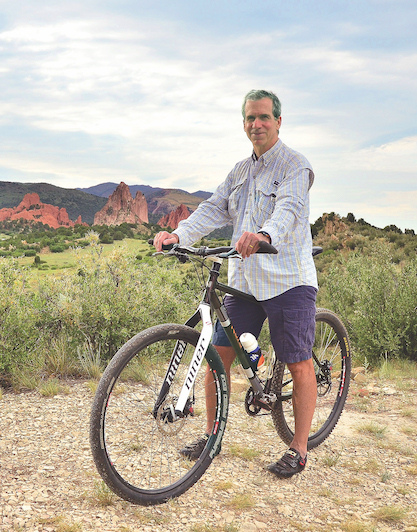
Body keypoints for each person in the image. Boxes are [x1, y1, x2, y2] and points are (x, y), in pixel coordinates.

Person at [153, 89, 318, 478]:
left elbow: (290, 210)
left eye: (263, 117)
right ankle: (213, 437)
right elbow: (212, 208)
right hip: (244, 284)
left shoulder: (296, 165)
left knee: (297, 361)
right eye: (249, 118)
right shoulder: (240, 171)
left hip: (287, 281)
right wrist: (181, 235)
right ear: (243, 124)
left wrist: (263, 234)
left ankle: (299, 448)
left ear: (279, 121)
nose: (256, 124)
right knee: (217, 361)